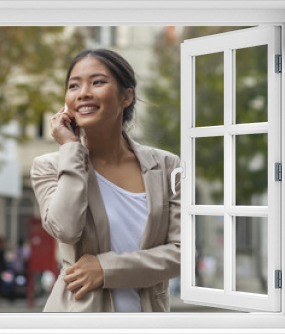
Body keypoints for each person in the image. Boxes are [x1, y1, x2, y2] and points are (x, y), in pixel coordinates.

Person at [30, 49, 180, 312]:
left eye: (97, 82)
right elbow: (66, 229)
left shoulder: (168, 167)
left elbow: (182, 254)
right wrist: (70, 148)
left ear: (126, 96)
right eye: (74, 85)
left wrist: (106, 268)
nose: (83, 92)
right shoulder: (49, 167)